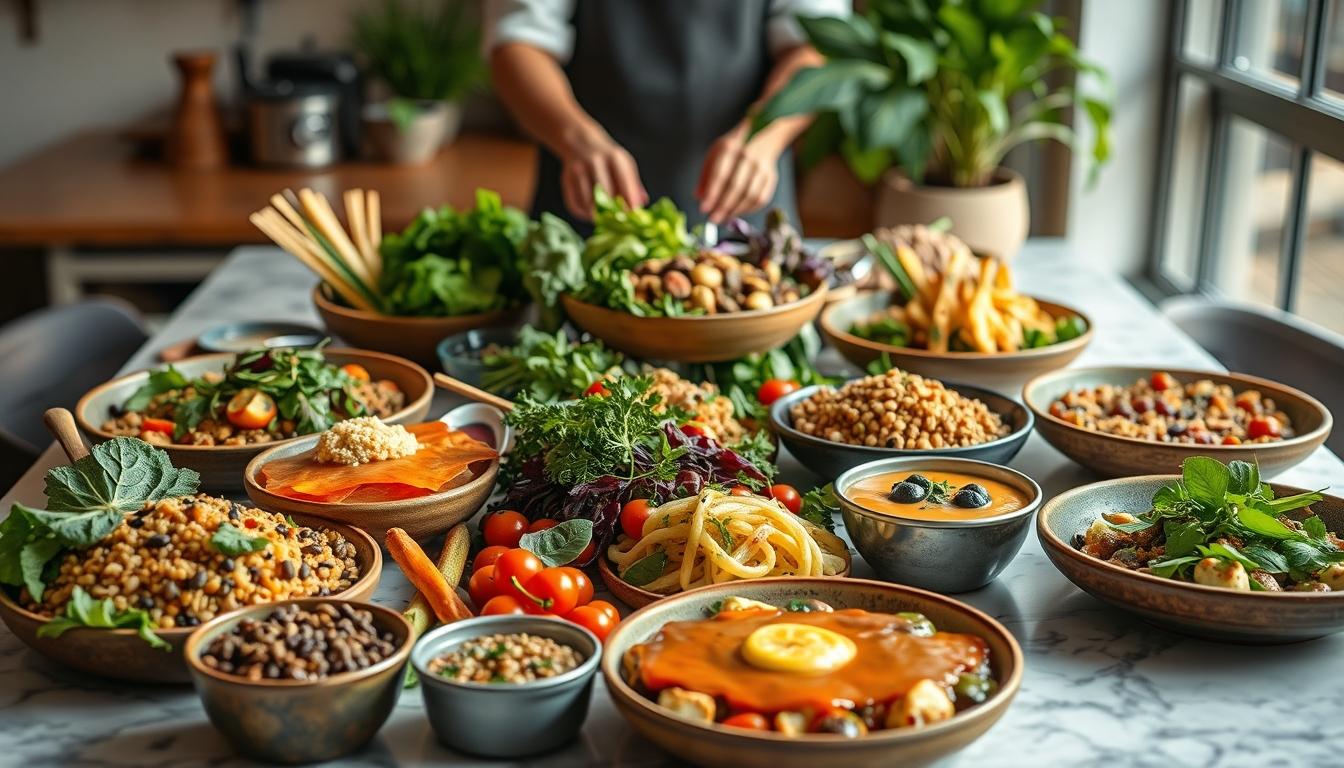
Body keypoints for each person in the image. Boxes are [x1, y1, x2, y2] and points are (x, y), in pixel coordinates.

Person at [485, 0, 850, 231]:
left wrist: (765, 132)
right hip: (586, 213)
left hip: (747, 212)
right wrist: (575, 138)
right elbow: (518, 42)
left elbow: (819, 44)